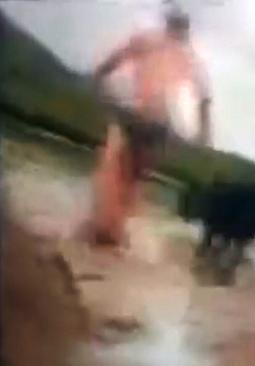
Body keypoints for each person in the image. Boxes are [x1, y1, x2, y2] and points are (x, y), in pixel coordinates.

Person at [91, 5, 212, 248]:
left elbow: (108, 65)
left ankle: (108, 226)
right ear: (183, 31)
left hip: (138, 117)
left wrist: (101, 86)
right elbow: (204, 98)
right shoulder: (186, 57)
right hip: (155, 123)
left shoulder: (148, 42)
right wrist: (203, 132)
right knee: (133, 176)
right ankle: (112, 227)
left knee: (120, 170)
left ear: (168, 25)